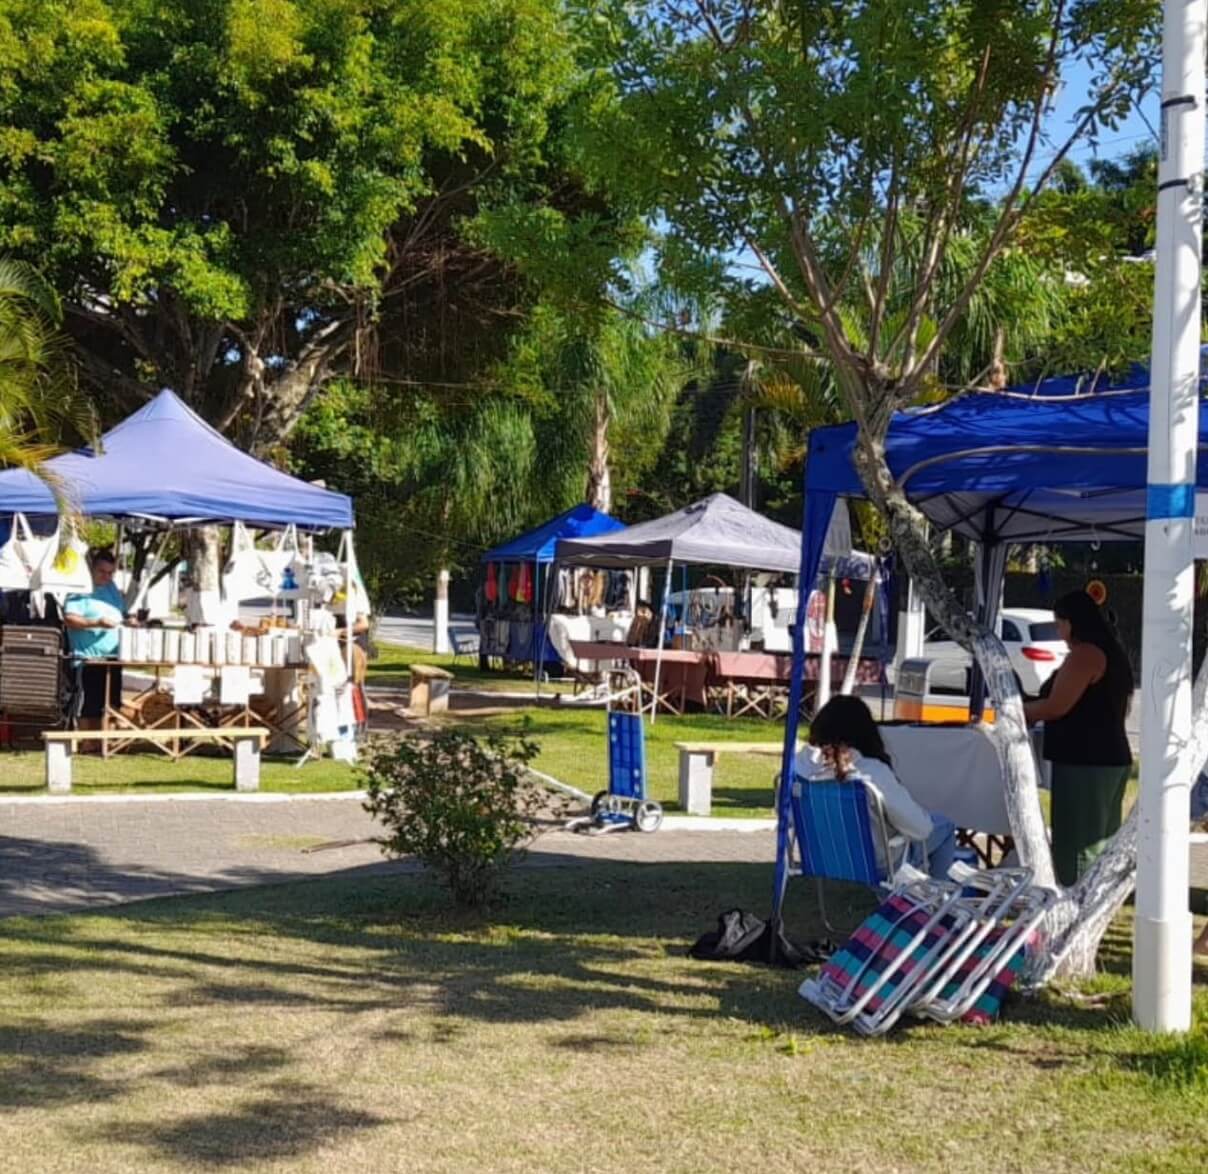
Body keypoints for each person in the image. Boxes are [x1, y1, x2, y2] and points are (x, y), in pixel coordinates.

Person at [1024, 590, 1133, 887]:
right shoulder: (1110, 652)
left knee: (1078, 845)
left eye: (1059, 624)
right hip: (1105, 758)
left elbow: (1055, 706)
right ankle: (1093, 895)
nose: (1058, 632)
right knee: (1098, 842)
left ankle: (1077, 900)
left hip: (1085, 762)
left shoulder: (1085, 655)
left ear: (1072, 623)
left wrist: (1017, 711)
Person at [796, 694, 956, 880]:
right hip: (877, 863)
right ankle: (937, 894)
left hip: (824, 858)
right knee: (944, 825)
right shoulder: (872, 773)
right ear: (866, 733)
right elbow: (921, 830)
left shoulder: (801, 770)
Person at [62, 550, 129, 732]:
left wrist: (130, 621)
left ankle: (107, 740)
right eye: (102, 572)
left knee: (111, 703)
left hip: (113, 657)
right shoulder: (80, 590)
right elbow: (69, 619)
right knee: (88, 705)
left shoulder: (112, 588)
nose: (106, 576)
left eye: (110, 573)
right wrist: (97, 623)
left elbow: (121, 615)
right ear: (92, 569)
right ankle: (86, 741)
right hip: (88, 659)